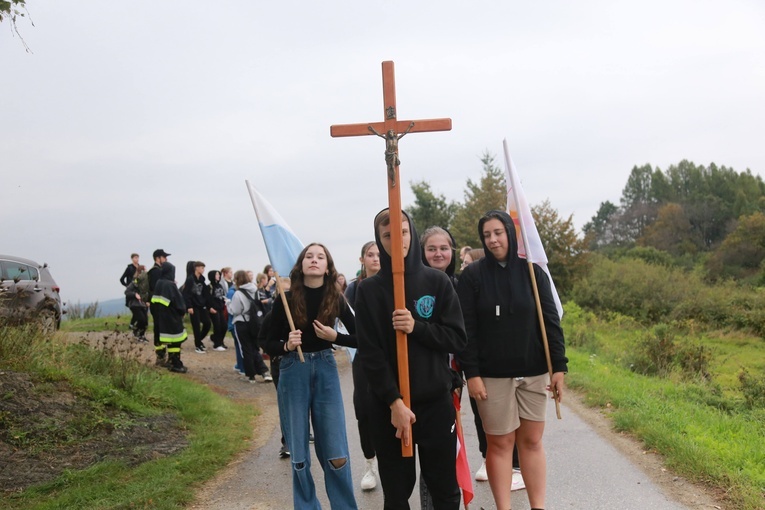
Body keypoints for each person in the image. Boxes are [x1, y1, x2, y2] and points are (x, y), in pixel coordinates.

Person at [355, 209, 467, 510]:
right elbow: (370, 353)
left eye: (402, 232)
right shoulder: (368, 291)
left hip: (434, 404)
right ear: (379, 240)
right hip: (389, 409)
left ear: (412, 233)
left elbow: (456, 338)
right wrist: (394, 402)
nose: (397, 240)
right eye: (388, 235)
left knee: (444, 489)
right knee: (396, 492)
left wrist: (416, 327)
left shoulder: (437, 282)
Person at [457, 210, 568, 510]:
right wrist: (473, 374)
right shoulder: (472, 277)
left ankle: (538, 506)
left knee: (531, 442)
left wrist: (559, 367)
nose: (493, 240)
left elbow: (550, 322)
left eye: (498, 232)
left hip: (533, 373)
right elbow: (467, 330)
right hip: (492, 377)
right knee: (501, 444)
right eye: (487, 235)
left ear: (510, 232)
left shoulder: (533, 272)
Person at [262, 243, 358, 510]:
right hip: (294, 371)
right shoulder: (286, 298)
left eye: (320, 257)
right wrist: (286, 345)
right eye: (309, 256)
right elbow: (266, 342)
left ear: (328, 267)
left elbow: (362, 337)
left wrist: (335, 337)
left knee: (336, 450)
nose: (314, 260)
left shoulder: (336, 298)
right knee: (299, 453)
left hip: (326, 370)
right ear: (301, 264)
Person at [344, 241, 381, 491]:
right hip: (363, 357)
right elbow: (345, 327)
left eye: (379, 254)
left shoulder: (396, 284)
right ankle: (370, 464)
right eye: (370, 255)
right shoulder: (353, 289)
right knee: (364, 409)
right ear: (362, 260)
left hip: (392, 356)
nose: (376, 259)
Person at [228, 270, 272, 383]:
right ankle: (264, 372)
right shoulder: (255, 290)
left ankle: (251, 374)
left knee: (246, 349)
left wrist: (228, 304)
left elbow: (236, 310)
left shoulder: (238, 293)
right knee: (255, 347)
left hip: (242, 322)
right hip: (255, 323)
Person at [150, 261, 189, 373]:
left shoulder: (159, 283)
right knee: (175, 342)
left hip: (161, 318)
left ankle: (166, 360)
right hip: (172, 318)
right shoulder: (170, 285)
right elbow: (179, 304)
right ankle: (175, 363)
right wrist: (182, 312)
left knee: (167, 341)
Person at [148, 249, 171, 365]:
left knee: (161, 329)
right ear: (158, 258)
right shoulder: (156, 271)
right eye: (164, 257)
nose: (166, 259)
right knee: (159, 329)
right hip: (157, 305)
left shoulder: (158, 271)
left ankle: (162, 355)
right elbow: (156, 288)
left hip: (159, 304)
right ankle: (160, 357)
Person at [183, 261, 212, 354]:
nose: (203, 270)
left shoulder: (202, 280)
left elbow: (206, 295)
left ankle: (199, 339)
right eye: (202, 268)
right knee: (196, 326)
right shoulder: (190, 279)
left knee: (207, 323)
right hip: (193, 306)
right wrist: (189, 306)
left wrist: (208, 306)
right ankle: (198, 345)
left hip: (201, 305)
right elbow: (186, 294)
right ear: (197, 268)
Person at [124, 265, 149, 342]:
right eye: (144, 271)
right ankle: (136, 333)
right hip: (135, 304)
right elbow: (127, 292)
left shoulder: (146, 283)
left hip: (143, 304)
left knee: (145, 321)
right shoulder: (135, 281)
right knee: (141, 319)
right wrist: (135, 294)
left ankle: (141, 335)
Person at [208, 270, 228, 351]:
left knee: (224, 326)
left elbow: (222, 296)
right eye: (216, 274)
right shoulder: (209, 286)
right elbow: (208, 298)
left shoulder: (220, 285)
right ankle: (217, 344)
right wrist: (210, 307)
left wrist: (225, 302)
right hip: (213, 309)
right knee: (217, 326)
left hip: (220, 308)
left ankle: (219, 340)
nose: (218, 276)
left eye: (219, 274)